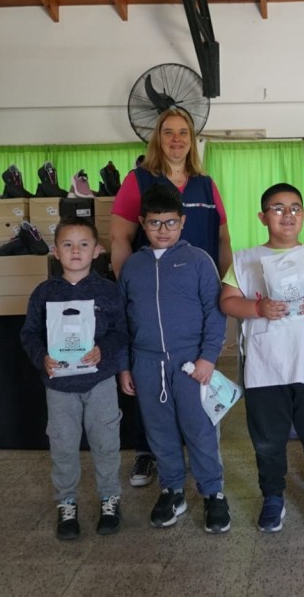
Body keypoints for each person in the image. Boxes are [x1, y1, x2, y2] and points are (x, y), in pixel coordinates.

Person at [110, 107, 232, 487]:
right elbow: (119, 240)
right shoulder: (137, 180)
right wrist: (135, 292)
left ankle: (206, 468)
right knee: (153, 388)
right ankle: (150, 456)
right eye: (168, 132)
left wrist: (227, 288)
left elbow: (224, 240)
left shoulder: (206, 184)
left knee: (196, 380)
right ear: (157, 138)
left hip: (197, 297)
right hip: (152, 299)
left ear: (192, 139)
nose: (176, 139)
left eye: (184, 132)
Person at [219, 183, 304, 532]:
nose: (287, 215)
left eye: (294, 208)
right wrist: (257, 307)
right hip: (265, 366)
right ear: (263, 217)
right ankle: (273, 496)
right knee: (267, 437)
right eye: (278, 208)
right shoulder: (246, 260)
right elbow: (228, 302)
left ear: (303, 216)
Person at [118, 185, 231, 533]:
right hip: (147, 365)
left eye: (170, 222)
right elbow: (123, 319)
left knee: (200, 431)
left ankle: (213, 493)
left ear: (182, 222)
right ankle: (172, 490)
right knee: (160, 432)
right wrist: (125, 365)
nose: (163, 230)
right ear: (142, 223)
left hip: (192, 364)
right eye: (154, 223)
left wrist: (208, 359)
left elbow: (216, 314)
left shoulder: (198, 260)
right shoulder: (133, 267)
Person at [20, 216, 129, 541]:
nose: (76, 251)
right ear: (55, 252)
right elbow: (29, 334)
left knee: (106, 443)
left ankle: (110, 499)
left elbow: (122, 332)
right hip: (59, 386)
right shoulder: (44, 292)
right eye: (68, 245)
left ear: (98, 250)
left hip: (99, 382)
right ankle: (66, 502)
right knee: (64, 446)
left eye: (84, 244)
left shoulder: (109, 291)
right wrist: (42, 358)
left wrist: (103, 351)